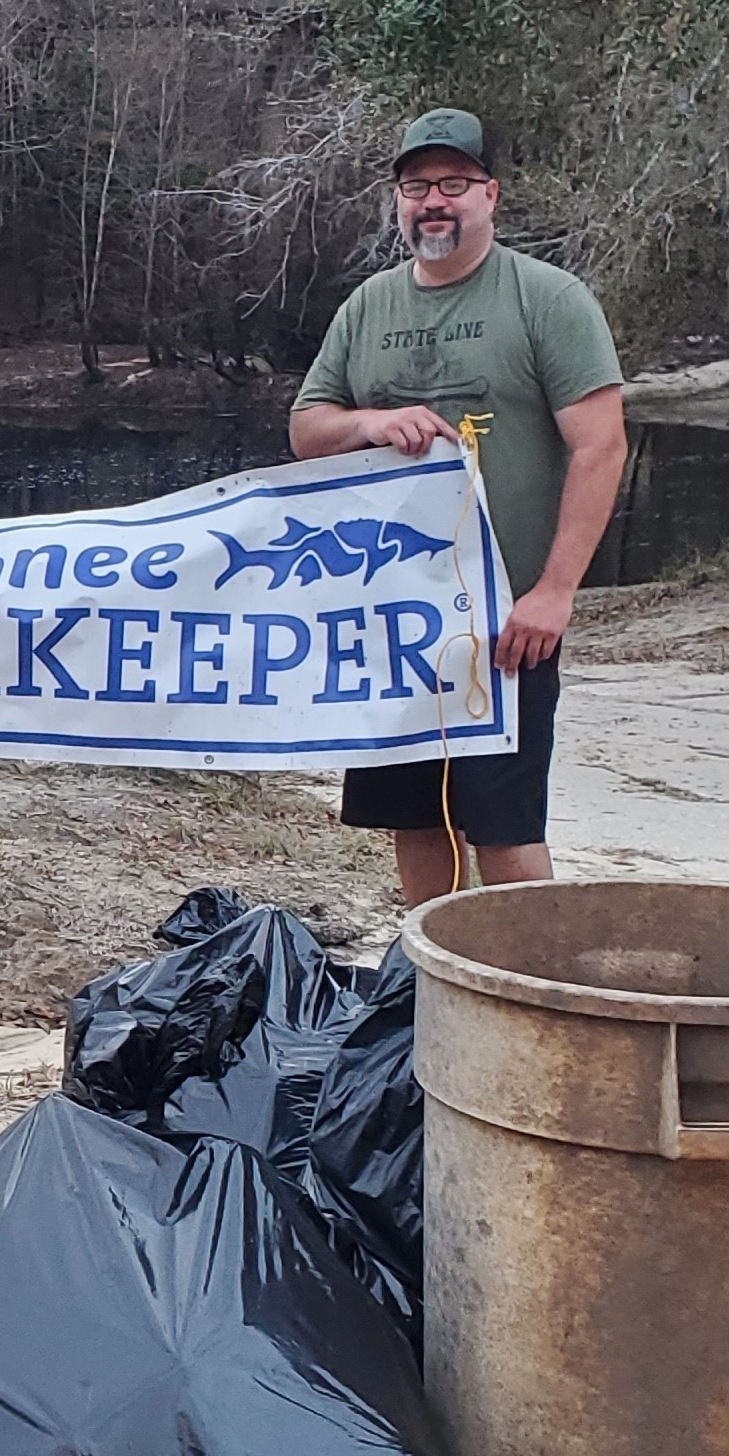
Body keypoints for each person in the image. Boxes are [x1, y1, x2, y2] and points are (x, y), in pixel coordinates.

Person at [289, 109, 627, 906]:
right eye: (415, 187)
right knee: (417, 818)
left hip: (506, 623)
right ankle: (441, 988)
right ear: (398, 202)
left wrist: (553, 592)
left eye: (452, 184)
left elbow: (601, 446)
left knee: (504, 825)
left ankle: (533, 993)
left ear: (490, 195)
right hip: (396, 617)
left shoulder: (548, 299)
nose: (432, 202)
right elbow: (308, 429)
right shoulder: (368, 307)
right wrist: (368, 423)